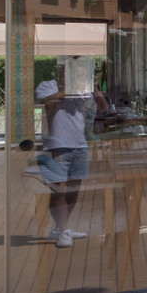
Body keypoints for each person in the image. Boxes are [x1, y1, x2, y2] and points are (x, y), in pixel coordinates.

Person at [35, 57, 103, 248]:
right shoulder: (49, 86)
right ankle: (63, 230)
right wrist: (69, 88)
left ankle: (61, 227)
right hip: (57, 145)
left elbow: (102, 108)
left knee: (74, 189)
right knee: (59, 189)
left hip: (80, 145)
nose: (76, 76)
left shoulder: (82, 89)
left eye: (80, 73)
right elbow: (49, 102)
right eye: (72, 72)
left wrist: (95, 88)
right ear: (62, 72)